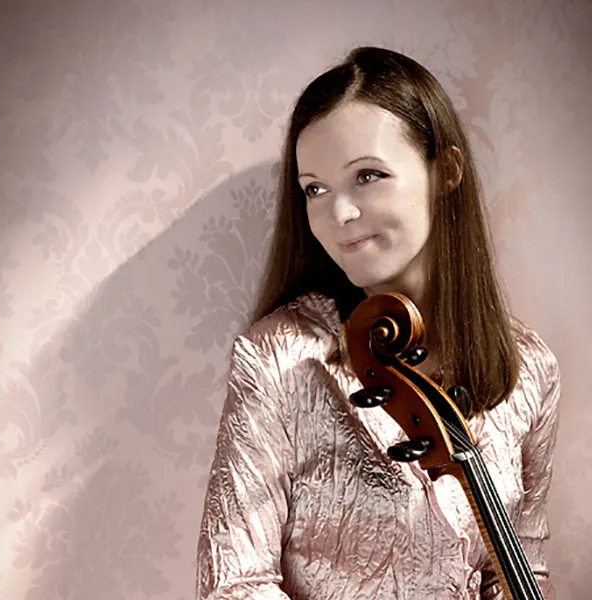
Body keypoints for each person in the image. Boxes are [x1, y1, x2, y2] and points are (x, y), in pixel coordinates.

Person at [196, 46, 560, 600]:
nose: (338, 214)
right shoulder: (278, 358)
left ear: (447, 172)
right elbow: (233, 585)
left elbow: (520, 573)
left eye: (367, 175)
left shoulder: (531, 369)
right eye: (315, 188)